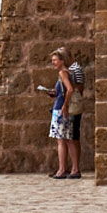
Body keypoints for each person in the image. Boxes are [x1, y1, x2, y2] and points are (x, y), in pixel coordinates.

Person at [37, 48, 77, 179]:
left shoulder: (63, 73)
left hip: (60, 109)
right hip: (62, 107)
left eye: (55, 60)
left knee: (61, 141)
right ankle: (73, 169)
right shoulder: (69, 73)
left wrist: (64, 106)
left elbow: (70, 90)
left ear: (61, 61)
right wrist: (54, 93)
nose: (53, 63)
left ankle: (62, 169)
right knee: (68, 140)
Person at [66, 56, 86, 178]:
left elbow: (79, 88)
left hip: (73, 106)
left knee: (73, 137)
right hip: (71, 105)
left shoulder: (75, 69)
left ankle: (75, 169)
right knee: (69, 137)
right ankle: (73, 168)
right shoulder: (71, 69)